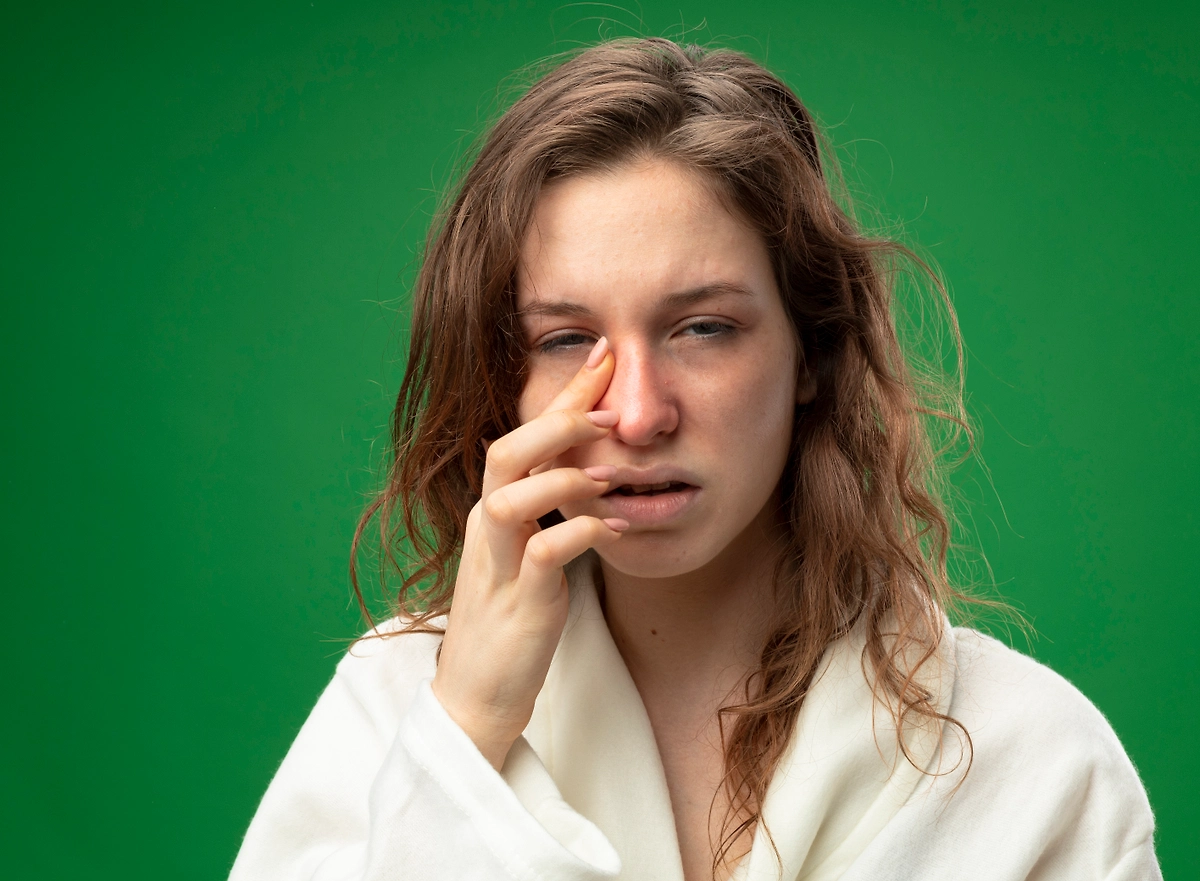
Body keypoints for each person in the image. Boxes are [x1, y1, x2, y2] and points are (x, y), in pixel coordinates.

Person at [228, 38, 1160, 881]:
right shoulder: (392, 711)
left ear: (811, 351)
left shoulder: (1035, 765)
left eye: (703, 328)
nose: (638, 415)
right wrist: (465, 731)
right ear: (502, 381)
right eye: (566, 339)